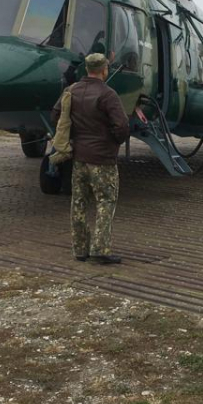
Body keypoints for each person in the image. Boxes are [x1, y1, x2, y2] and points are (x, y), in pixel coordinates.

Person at [51, 53, 129, 264]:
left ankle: (80, 249)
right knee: (105, 201)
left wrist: (74, 137)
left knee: (78, 202)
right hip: (102, 159)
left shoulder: (71, 90)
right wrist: (113, 141)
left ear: (86, 69)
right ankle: (100, 249)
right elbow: (121, 126)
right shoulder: (107, 94)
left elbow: (56, 115)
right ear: (104, 69)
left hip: (79, 157)